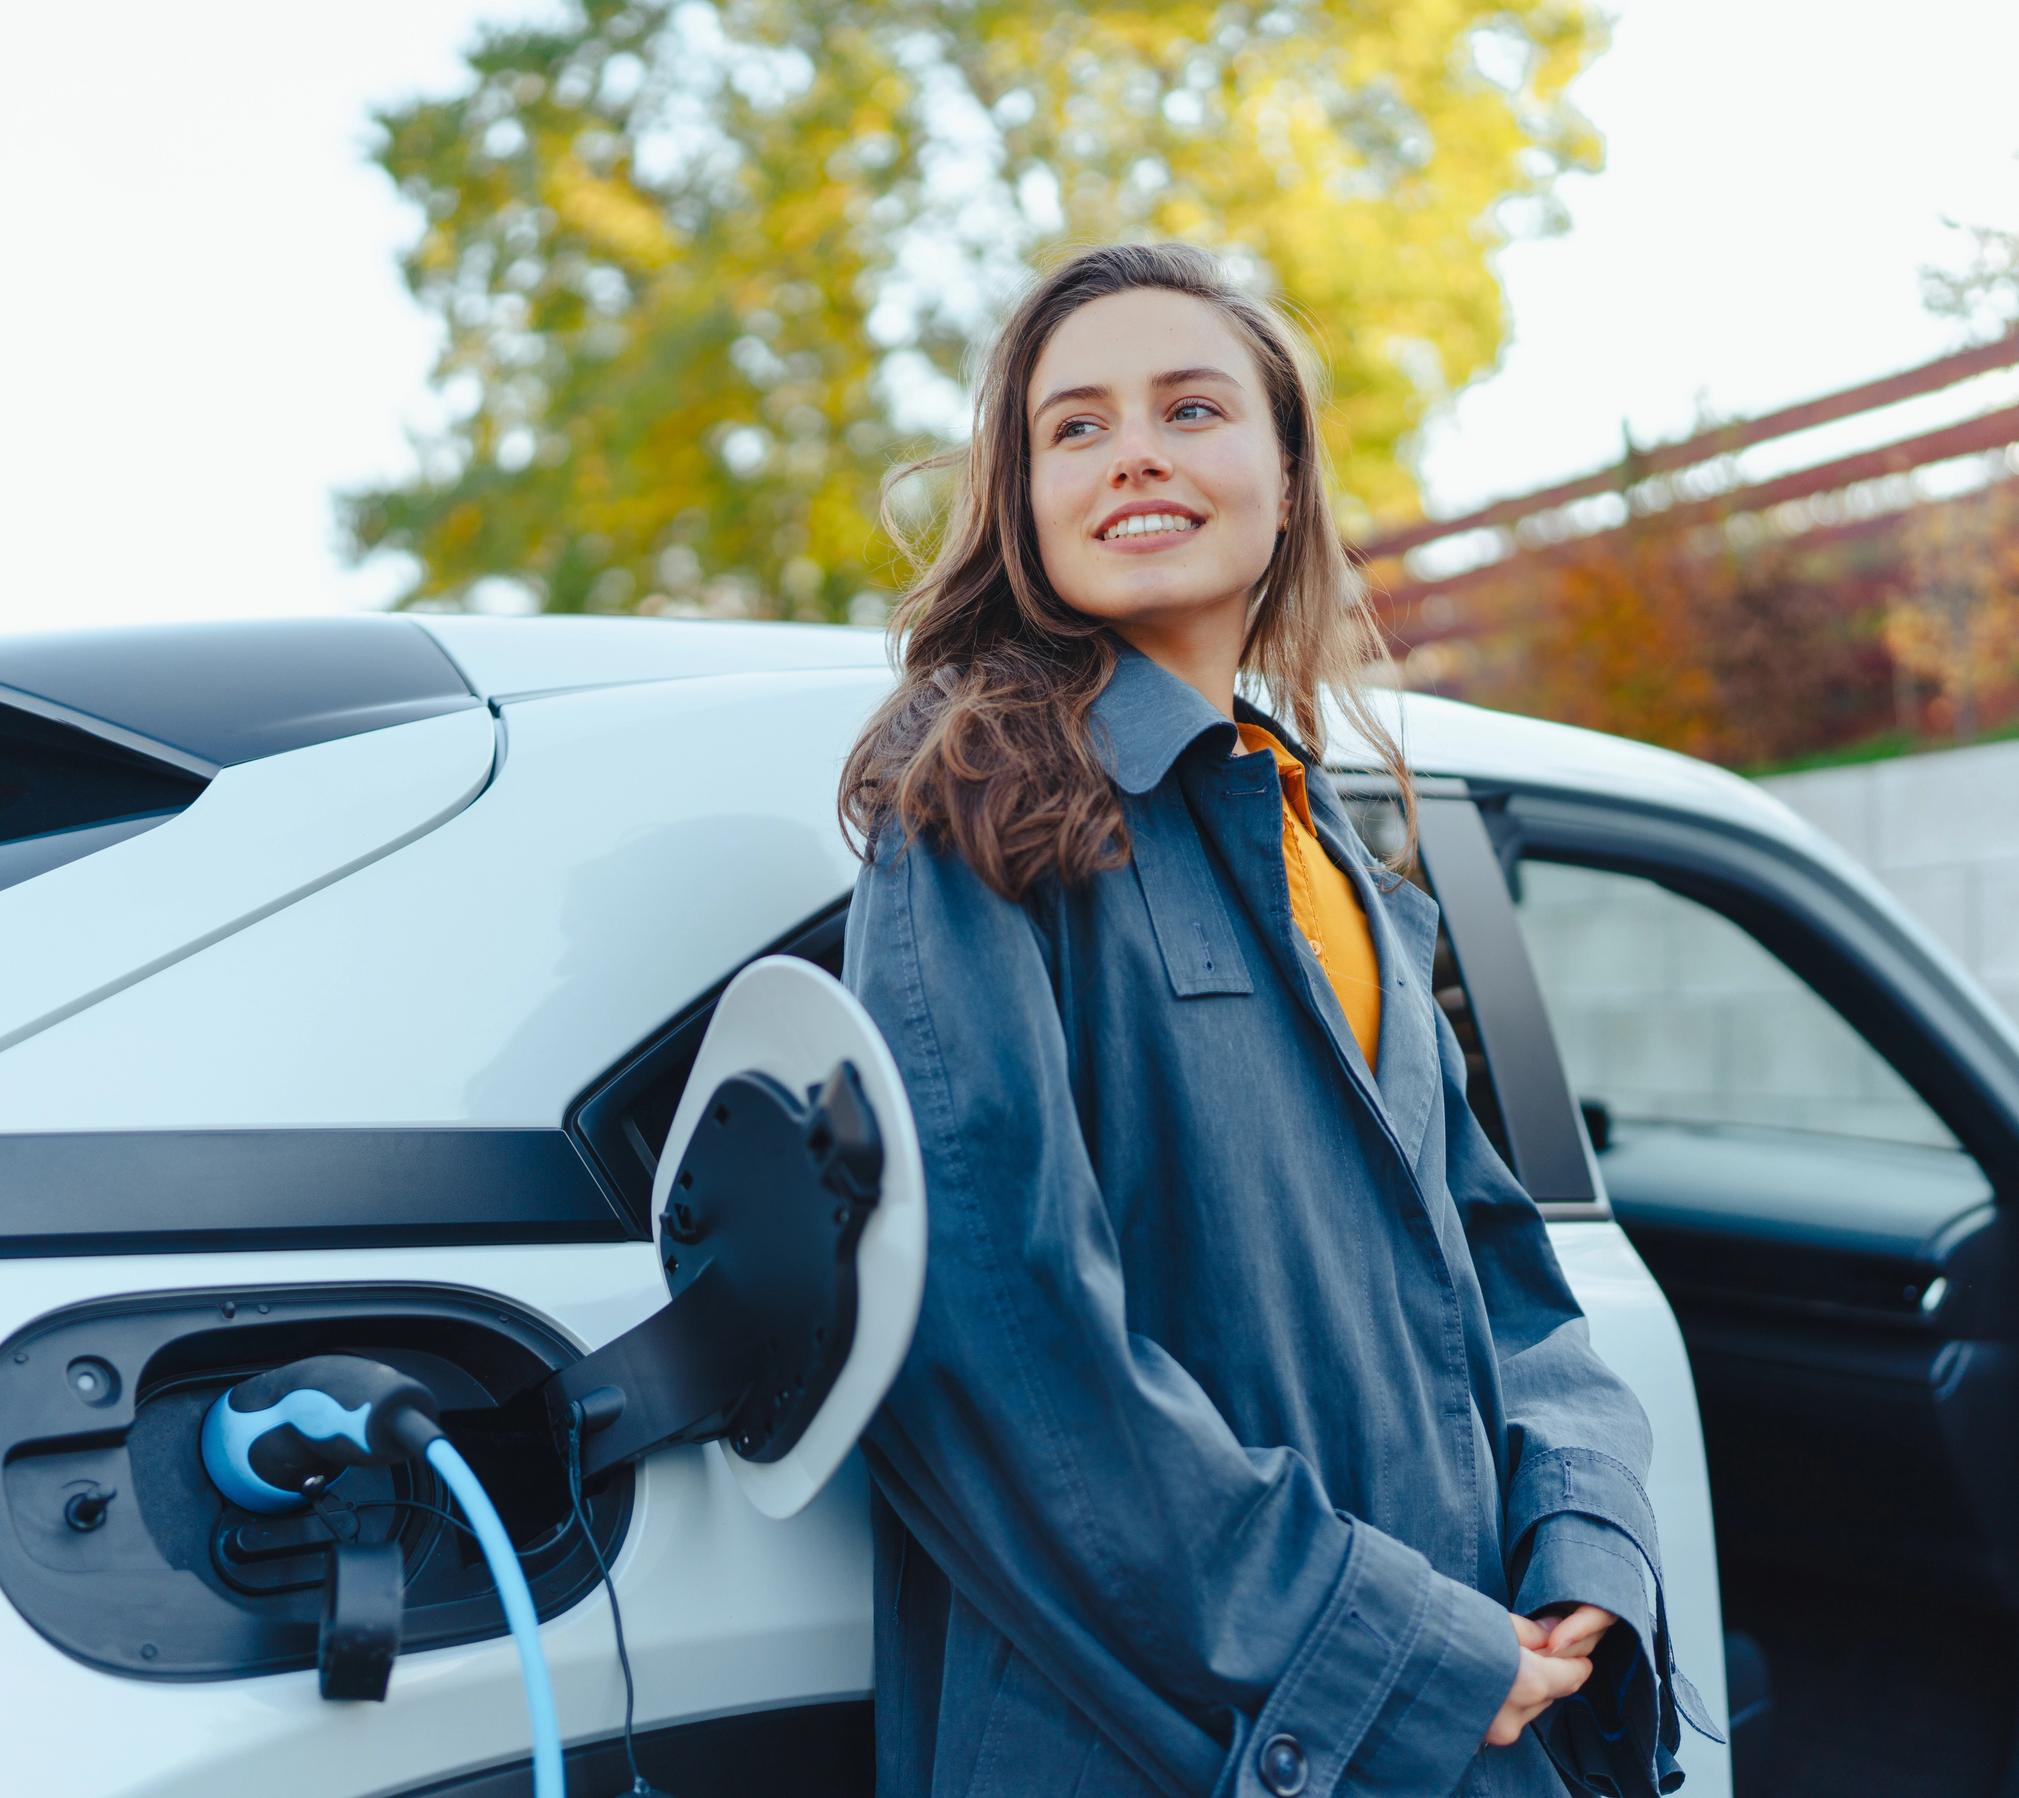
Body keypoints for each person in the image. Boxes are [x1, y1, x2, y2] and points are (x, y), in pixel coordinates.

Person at [834, 240, 1723, 1797]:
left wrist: (1582, 1531)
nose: (1137, 458)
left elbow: (1499, 1263)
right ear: (1025, 497)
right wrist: (1389, 1641)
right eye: (1077, 426)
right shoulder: (973, 801)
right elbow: (1001, 1336)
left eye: (1191, 407)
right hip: (1186, 1733)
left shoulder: (1334, 854)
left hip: (1466, 1714)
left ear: (1290, 477)